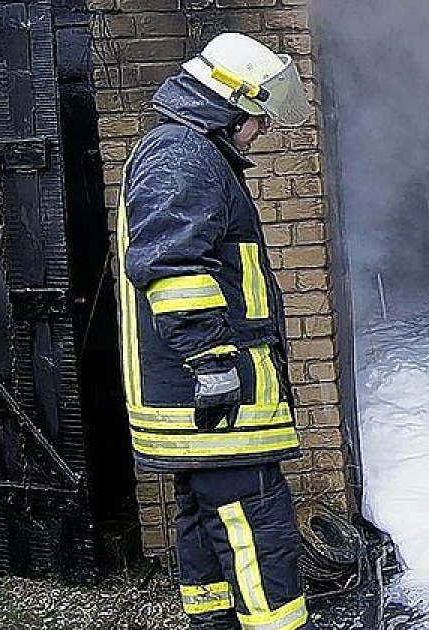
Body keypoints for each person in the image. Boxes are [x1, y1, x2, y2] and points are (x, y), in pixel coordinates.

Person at [115, 32, 312, 630]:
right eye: (256, 117)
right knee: (258, 528)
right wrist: (213, 361)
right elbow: (171, 266)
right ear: (227, 105)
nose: (262, 130)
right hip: (215, 398)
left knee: (207, 522)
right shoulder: (184, 157)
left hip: (194, 402)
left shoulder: (185, 151)